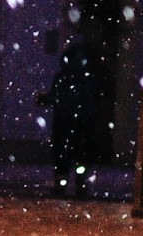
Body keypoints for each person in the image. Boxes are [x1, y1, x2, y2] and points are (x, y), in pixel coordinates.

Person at [39, 33, 110, 199]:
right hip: (82, 122)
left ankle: (63, 182)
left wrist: (45, 99)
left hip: (66, 121)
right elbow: (95, 98)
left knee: (63, 155)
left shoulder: (64, 77)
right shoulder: (88, 78)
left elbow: (56, 96)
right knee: (80, 154)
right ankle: (78, 181)